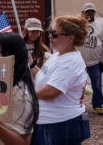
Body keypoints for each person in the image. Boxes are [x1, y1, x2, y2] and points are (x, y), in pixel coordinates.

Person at [30, 15, 90, 145]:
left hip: (64, 124)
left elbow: (52, 91)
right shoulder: (57, 55)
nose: (50, 36)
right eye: (50, 32)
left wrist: (28, 96)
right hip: (54, 122)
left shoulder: (69, 62)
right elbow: (45, 78)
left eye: (54, 33)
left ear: (70, 38)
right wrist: (31, 65)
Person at [79, 3, 103, 115]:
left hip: (95, 62)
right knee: (77, 85)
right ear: (82, 13)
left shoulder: (100, 24)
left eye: (92, 11)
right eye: (87, 11)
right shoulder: (76, 24)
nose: (89, 13)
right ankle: (76, 106)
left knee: (97, 86)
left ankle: (98, 105)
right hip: (79, 63)